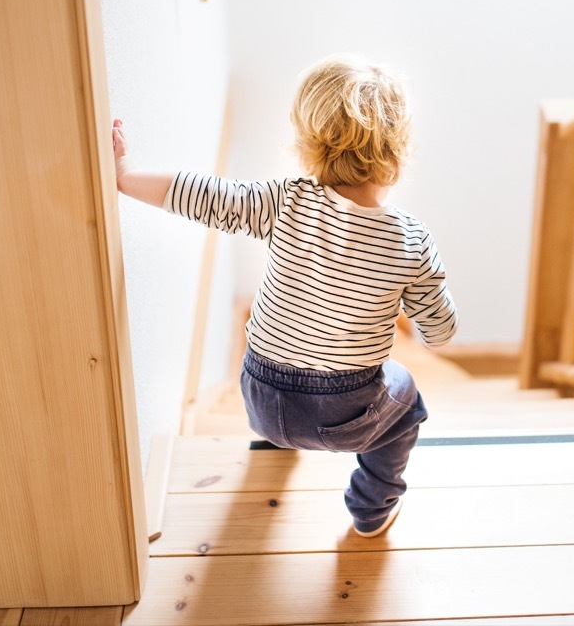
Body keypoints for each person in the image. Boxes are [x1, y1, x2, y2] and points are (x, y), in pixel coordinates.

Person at [112, 54, 458, 537]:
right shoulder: (411, 241)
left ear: (309, 142)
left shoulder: (285, 199)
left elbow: (204, 194)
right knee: (406, 401)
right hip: (344, 417)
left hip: (259, 397)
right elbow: (437, 335)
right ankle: (372, 508)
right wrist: (419, 307)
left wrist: (126, 175)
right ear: (399, 150)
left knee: (287, 361)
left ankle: (277, 443)